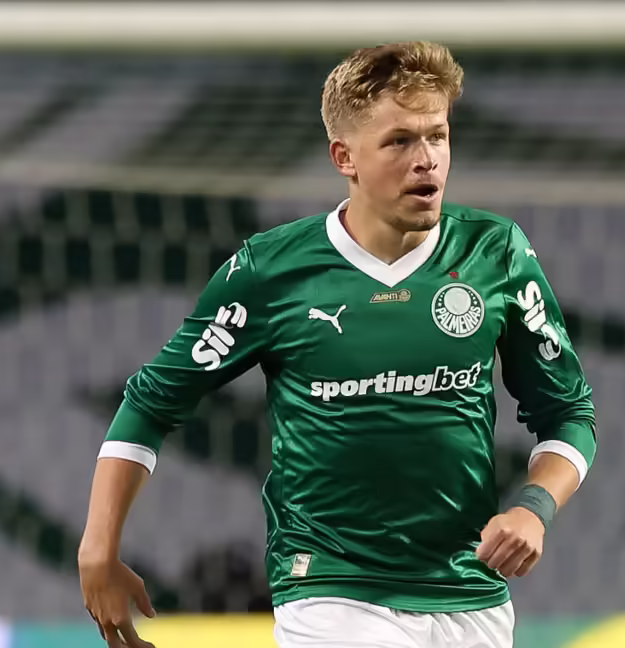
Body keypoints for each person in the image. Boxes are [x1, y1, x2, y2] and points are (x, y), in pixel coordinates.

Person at [78, 41, 597, 648]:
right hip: (330, 590)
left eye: (438, 136)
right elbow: (151, 401)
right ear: (343, 157)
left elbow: (569, 414)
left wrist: (535, 506)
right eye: (400, 141)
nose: (427, 159)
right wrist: (98, 548)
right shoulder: (273, 270)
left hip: (470, 594)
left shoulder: (496, 253)